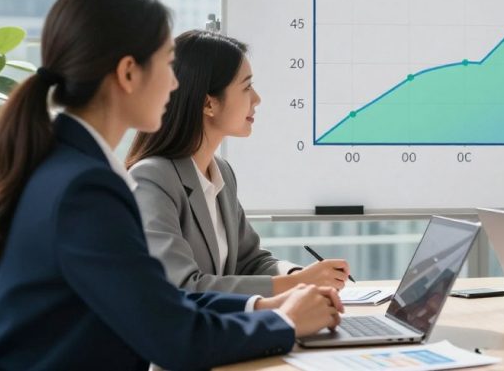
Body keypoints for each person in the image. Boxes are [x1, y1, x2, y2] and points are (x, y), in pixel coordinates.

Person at [0, 0, 343, 371]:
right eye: (168, 64)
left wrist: (264, 305)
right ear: (129, 73)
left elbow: (156, 300)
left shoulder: (64, 167)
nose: (174, 84)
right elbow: (176, 339)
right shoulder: (86, 188)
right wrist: (285, 322)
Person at [127, 30, 350, 295]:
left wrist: (298, 275)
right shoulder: (152, 178)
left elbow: (250, 261)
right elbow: (182, 286)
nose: (257, 99)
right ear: (209, 103)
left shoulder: (221, 172)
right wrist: (295, 285)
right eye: (246, 87)